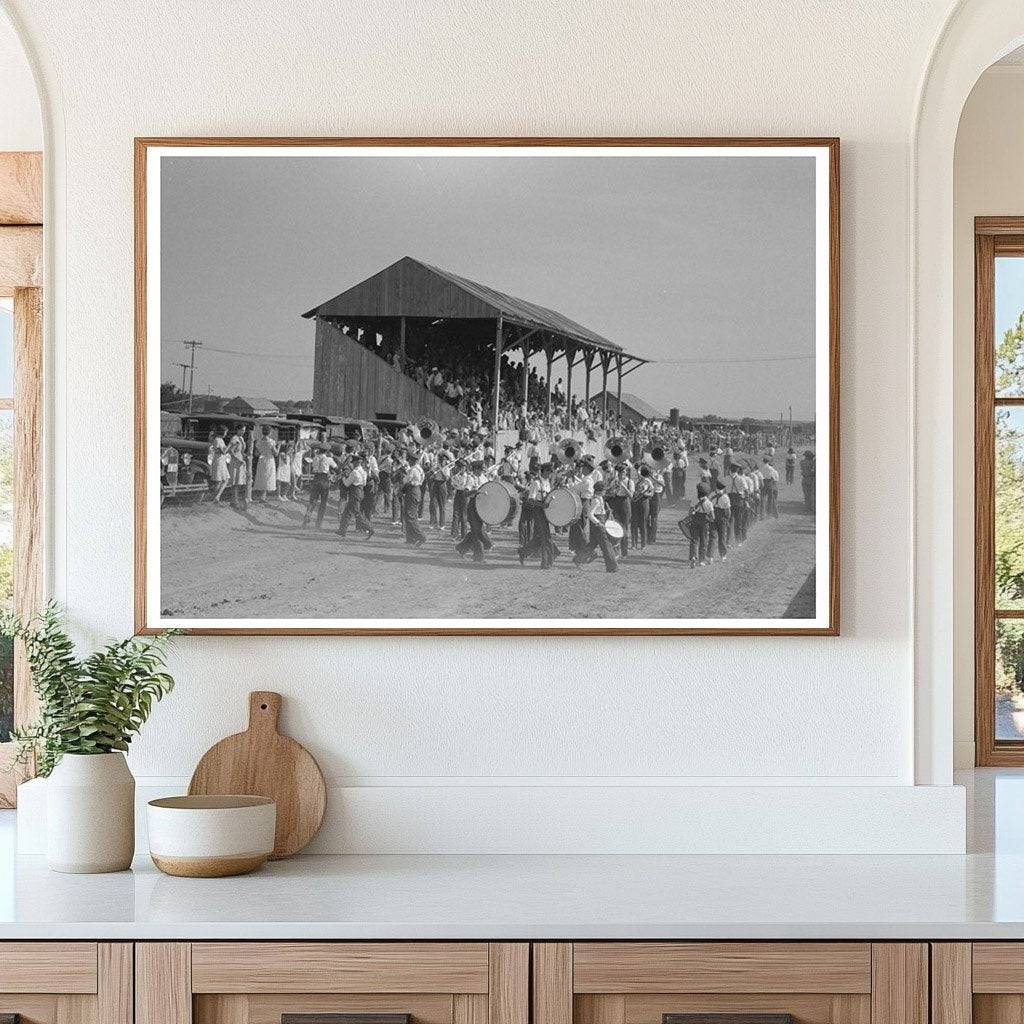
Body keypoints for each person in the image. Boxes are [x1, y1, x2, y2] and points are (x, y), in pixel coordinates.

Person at [575, 481, 618, 573]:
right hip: (598, 524)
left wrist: (606, 512)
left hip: (599, 522)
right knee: (606, 546)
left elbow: (599, 511)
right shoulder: (596, 500)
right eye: (604, 490)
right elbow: (590, 514)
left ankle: (578, 558)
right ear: (599, 491)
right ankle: (612, 567)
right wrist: (598, 523)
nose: (605, 491)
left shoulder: (600, 498)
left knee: (592, 544)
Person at [455, 461, 492, 562]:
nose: (483, 471)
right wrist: (474, 491)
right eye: (481, 469)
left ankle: (461, 548)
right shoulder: (470, 479)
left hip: (482, 507)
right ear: (476, 469)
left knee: (475, 531)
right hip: (473, 507)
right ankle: (480, 556)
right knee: (478, 531)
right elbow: (465, 494)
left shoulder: (484, 478)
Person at [337, 455, 375, 539]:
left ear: (355, 463)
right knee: (347, 512)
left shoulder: (354, 472)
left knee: (357, 514)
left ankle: (370, 528)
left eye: (352, 463)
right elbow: (364, 483)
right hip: (360, 492)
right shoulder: (363, 471)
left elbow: (347, 483)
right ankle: (342, 530)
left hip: (354, 493)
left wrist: (343, 477)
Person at [302, 444, 337, 529]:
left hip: (316, 478)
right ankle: (318, 523)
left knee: (312, 500)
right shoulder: (329, 459)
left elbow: (313, 467)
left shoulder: (315, 458)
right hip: (324, 479)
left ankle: (307, 515)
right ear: (327, 451)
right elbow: (336, 468)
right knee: (323, 503)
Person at [604, 463, 633, 559]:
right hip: (615, 503)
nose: (622, 474)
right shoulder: (614, 481)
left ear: (626, 473)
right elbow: (608, 491)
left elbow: (631, 495)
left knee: (624, 529)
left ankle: (624, 552)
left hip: (625, 504)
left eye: (623, 472)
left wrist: (623, 485)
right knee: (614, 527)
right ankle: (616, 552)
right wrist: (613, 485)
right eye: (620, 472)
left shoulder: (630, 482)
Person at [401, 451, 426, 546]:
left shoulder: (413, 470)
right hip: (416, 490)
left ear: (412, 461)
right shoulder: (419, 469)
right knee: (411, 515)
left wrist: (404, 476)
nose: (408, 462)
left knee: (410, 516)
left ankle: (421, 536)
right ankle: (411, 538)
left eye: (409, 460)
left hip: (412, 491)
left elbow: (406, 480)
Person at [688, 484, 715, 568]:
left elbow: (690, 512)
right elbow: (712, 517)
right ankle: (701, 560)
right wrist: (710, 520)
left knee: (694, 540)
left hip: (695, 520)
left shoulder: (694, 500)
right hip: (704, 522)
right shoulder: (709, 503)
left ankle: (693, 557)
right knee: (703, 541)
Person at [631, 465, 655, 550]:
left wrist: (645, 494)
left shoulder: (648, 481)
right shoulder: (635, 480)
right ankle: (634, 544)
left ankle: (643, 544)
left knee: (643, 523)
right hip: (635, 502)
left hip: (644, 502)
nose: (639, 474)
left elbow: (652, 493)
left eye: (641, 473)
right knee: (634, 523)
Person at [254, 426, 278, 503]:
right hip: (269, 459)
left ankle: (263, 496)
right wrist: (279, 446)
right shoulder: (271, 442)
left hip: (261, 460)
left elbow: (256, 454)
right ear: (270, 433)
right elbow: (276, 453)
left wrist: (262, 451)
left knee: (262, 476)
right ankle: (263, 496)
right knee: (268, 476)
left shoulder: (259, 442)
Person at [728, 462, 748, 545]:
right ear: (737, 470)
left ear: (730, 470)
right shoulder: (741, 479)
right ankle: (738, 540)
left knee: (729, 521)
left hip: (729, 500)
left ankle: (728, 541)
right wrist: (746, 500)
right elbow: (746, 490)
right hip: (738, 500)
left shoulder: (726, 478)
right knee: (738, 521)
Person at [711, 485, 731, 561]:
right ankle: (723, 555)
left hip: (713, 516)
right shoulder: (725, 497)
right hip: (722, 517)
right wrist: (727, 519)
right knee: (722, 536)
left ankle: (710, 556)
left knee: (712, 537)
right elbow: (728, 511)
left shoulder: (712, 494)